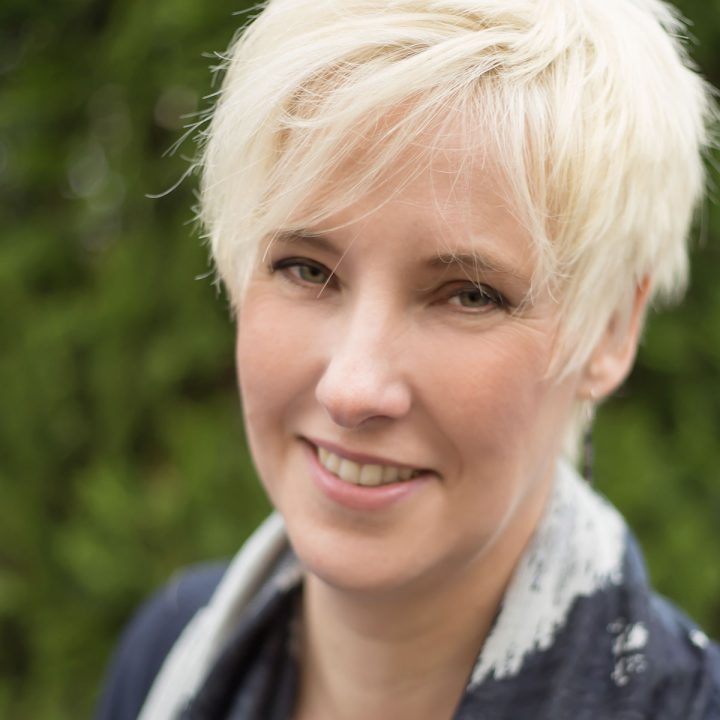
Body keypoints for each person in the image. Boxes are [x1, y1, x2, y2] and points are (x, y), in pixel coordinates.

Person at [96, 0, 720, 718]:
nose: (352, 388)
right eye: (305, 269)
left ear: (611, 329)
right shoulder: (168, 650)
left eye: (470, 295)